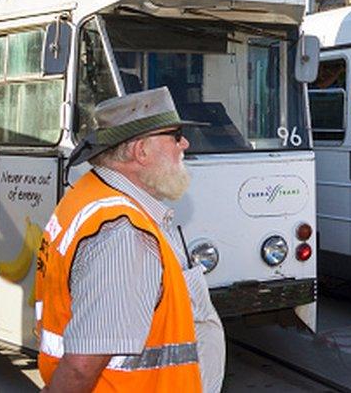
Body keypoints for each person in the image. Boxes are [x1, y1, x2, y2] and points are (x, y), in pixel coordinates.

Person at [34, 87, 225, 392]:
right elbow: (81, 368)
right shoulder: (124, 233)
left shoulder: (90, 194)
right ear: (141, 151)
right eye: (175, 135)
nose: (184, 144)